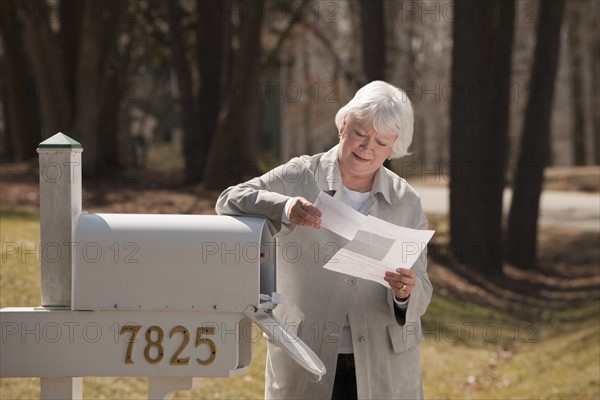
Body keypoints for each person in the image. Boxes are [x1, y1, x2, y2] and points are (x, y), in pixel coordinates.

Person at [216, 80, 431, 400]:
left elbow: (423, 288)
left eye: (381, 141)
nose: (367, 147)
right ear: (344, 124)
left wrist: (405, 293)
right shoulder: (301, 175)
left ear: (393, 147)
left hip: (384, 367)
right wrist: (285, 207)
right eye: (360, 133)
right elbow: (230, 200)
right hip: (307, 356)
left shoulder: (406, 201)